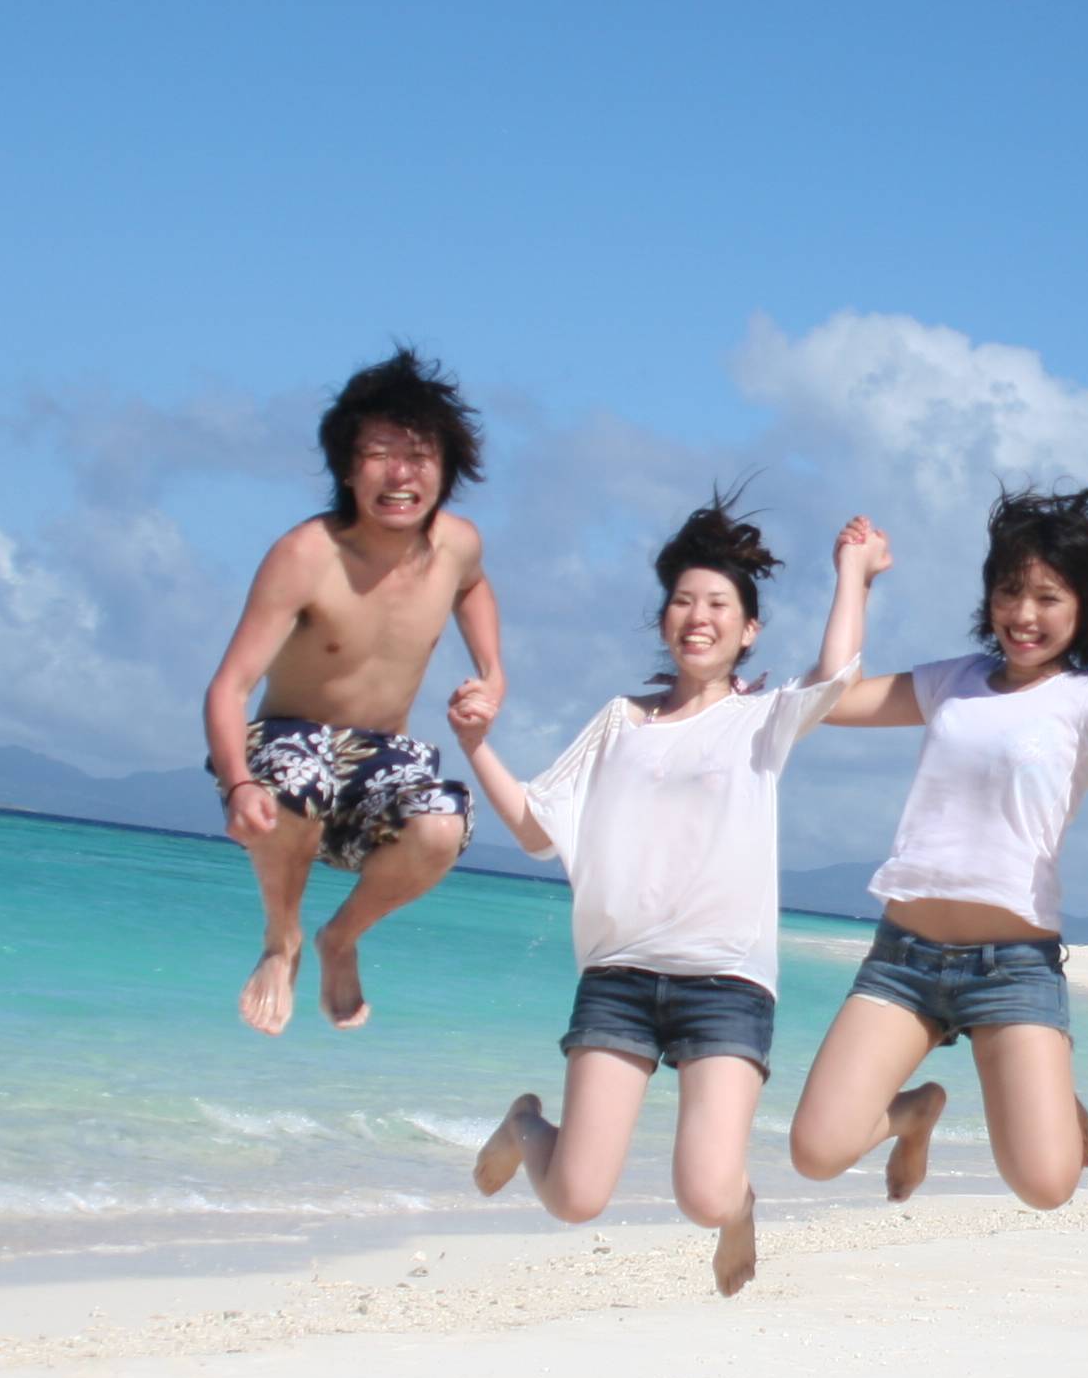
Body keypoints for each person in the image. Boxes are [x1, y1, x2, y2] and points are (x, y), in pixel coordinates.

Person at [453, 499, 884, 1296]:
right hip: (618, 977)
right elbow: (535, 830)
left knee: (707, 1195)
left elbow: (835, 674)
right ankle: (523, 1124)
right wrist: (476, 744)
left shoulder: (762, 720)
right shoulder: (619, 722)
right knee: (578, 1198)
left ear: (748, 631)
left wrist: (852, 574)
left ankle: (742, 1206)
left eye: (719, 604)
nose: (699, 616)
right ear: (663, 622)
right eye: (684, 602)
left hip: (725, 982)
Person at [788, 487, 1088, 1210]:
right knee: (816, 1152)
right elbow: (825, 702)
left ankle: (1054, 1089)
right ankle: (915, 1113)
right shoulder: (954, 681)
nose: (1023, 615)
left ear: (1084, 607)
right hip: (905, 956)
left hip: (1012, 968)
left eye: (1047, 597)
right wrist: (855, 577)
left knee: (1045, 1185)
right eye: (1009, 591)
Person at [200, 347, 501, 1037]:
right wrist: (240, 784)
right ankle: (283, 941)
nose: (401, 475)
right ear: (346, 468)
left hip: (380, 762)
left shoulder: (456, 546)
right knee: (296, 776)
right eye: (379, 454)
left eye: (419, 455)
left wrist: (493, 669)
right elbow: (229, 687)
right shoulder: (307, 555)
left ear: (447, 467)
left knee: (445, 821)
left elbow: (475, 586)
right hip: (287, 750)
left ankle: (341, 937)